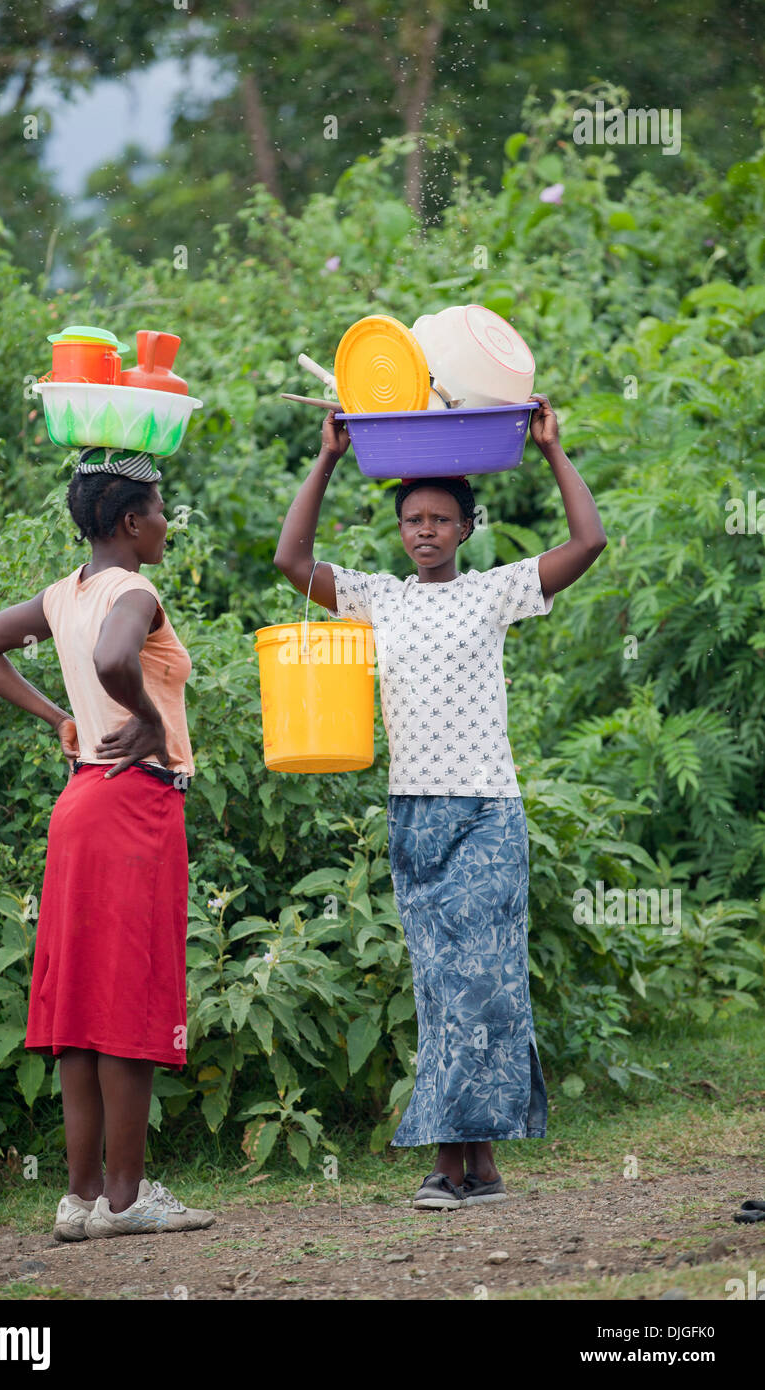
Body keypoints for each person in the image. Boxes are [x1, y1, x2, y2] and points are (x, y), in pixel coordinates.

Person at [273, 395, 606, 1210]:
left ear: (466, 527)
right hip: (414, 817)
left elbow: (589, 542)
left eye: (439, 519)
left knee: (482, 987)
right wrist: (326, 457)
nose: (423, 531)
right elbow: (291, 560)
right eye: (411, 519)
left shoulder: (493, 593)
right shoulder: (378, 600)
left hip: (488, 813)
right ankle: (474, 1170)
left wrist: (553, 449)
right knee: (440, 990)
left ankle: (458, 1167)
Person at [0, 446, 215, 1239]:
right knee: (127, 998)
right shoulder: (135, 589)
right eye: (160, 510)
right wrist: (140, 716)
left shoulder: (64, 594)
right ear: (132, 523)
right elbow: (111, 658)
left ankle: (81, 1197)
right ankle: (128, 1202)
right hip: (135, 807)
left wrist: (60, 720)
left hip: (79, 806)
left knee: (79, 1006)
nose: (167, 522)